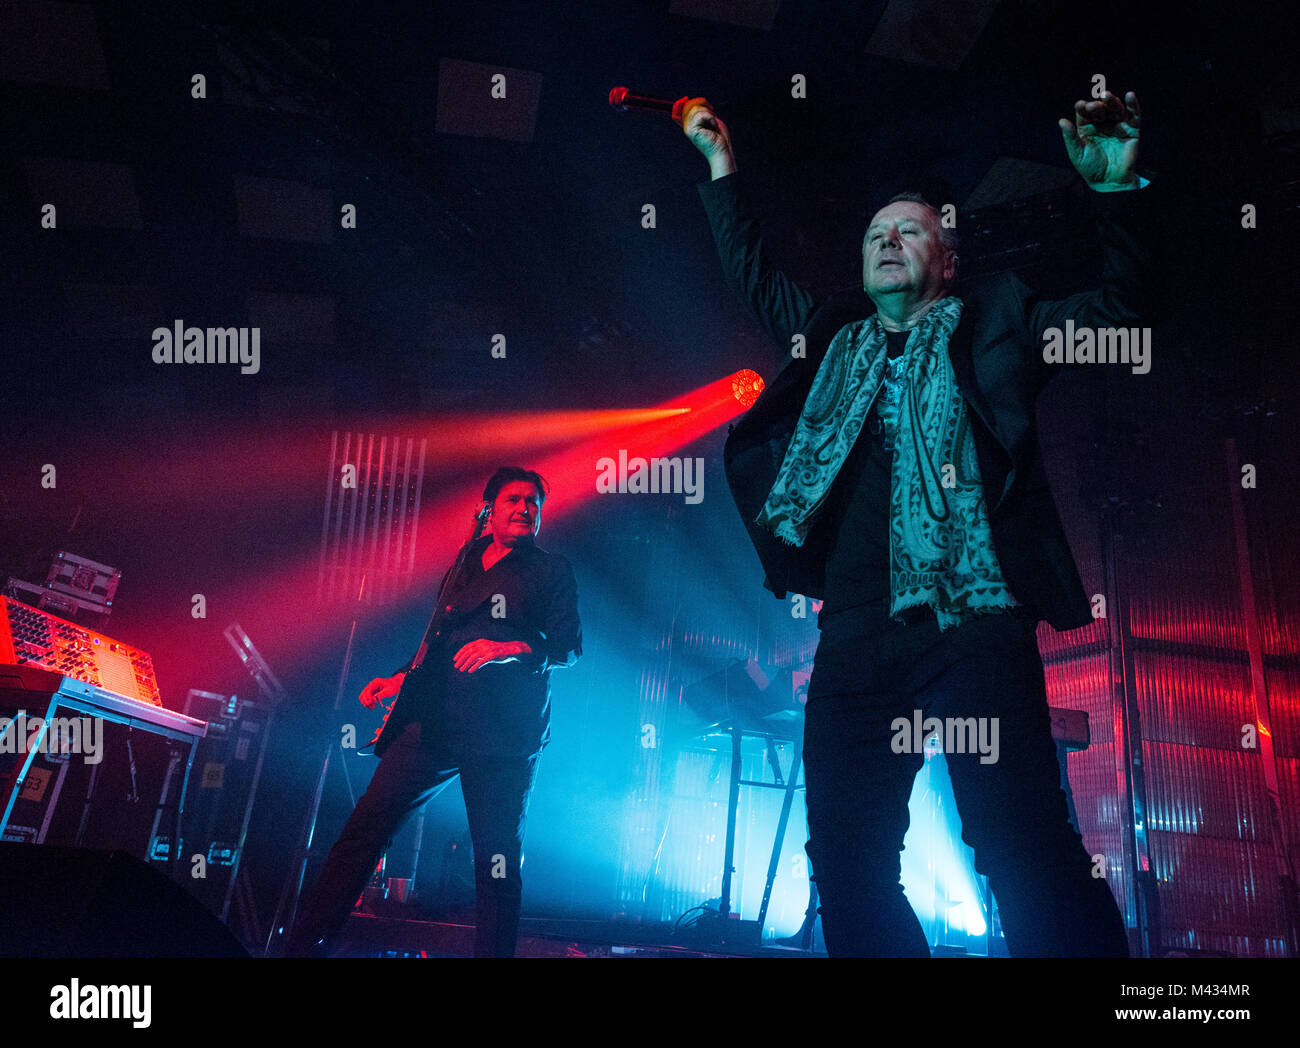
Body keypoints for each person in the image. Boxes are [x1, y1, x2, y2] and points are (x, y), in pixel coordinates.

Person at [682, 89, 1161, 956]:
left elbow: (1126, 314)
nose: (887, 242)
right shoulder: (831, 335)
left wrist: (1116, 192)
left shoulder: (1002, 320)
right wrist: (721, 165)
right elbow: (753, 275)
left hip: (975, 623)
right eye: (875, 236)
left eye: (907, 231)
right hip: (858, 634)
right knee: (846, 857)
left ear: (945, 259)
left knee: (1020, 846)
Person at [285, 467, 582, 957]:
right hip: (437, 723)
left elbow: (569, 646)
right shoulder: (463, 565)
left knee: (495, 861)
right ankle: (303, 946)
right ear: (488, 512)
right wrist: (403, 678)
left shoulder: (551, 571)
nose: (525, 508)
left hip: (503, 737)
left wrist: (506, 647)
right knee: (363, 831)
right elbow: (438, 645)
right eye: (513, 499)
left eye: (533, 502)